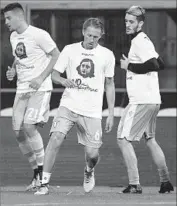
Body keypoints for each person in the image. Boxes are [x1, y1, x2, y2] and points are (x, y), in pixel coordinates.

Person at [35, 17, 115, 195]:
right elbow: (55, 75)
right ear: (83, 32)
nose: (91, 40)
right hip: (69, 105)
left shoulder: (107, 55)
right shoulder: (69, 50)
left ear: (101, 36)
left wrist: (110, 113)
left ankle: (89, 170)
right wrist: (63, 80)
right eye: (89, 35)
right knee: (55, 138)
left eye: (96, 37)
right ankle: (43, 183)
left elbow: (109, 84)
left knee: (93, 155)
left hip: (93, 112)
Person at [117, 5, 174, 194]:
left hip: (141, 100)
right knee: (150, 140)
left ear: (140, 23)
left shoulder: (140, 41)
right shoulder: (144, 41)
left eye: (131, 22)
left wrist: (129, 66)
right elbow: (162, 63)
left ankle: (134, 184)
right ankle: (165, 182)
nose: (127, 24)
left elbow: (154, 65)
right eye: (126, 21)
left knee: (123, 140)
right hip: (152, 100)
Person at [3, 3, 60, 191]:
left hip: (40, 88)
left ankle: (43, 177)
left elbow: (56, 55)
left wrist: (41, 77)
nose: (6, 22)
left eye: (8, 18)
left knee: (29, 126)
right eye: (5, 18)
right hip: (22, 90)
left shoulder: (39, 34)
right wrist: (13, 71)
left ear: (19, 16)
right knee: (18, 132)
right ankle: (36, 174)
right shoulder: (13, 37)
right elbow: (18, 57)